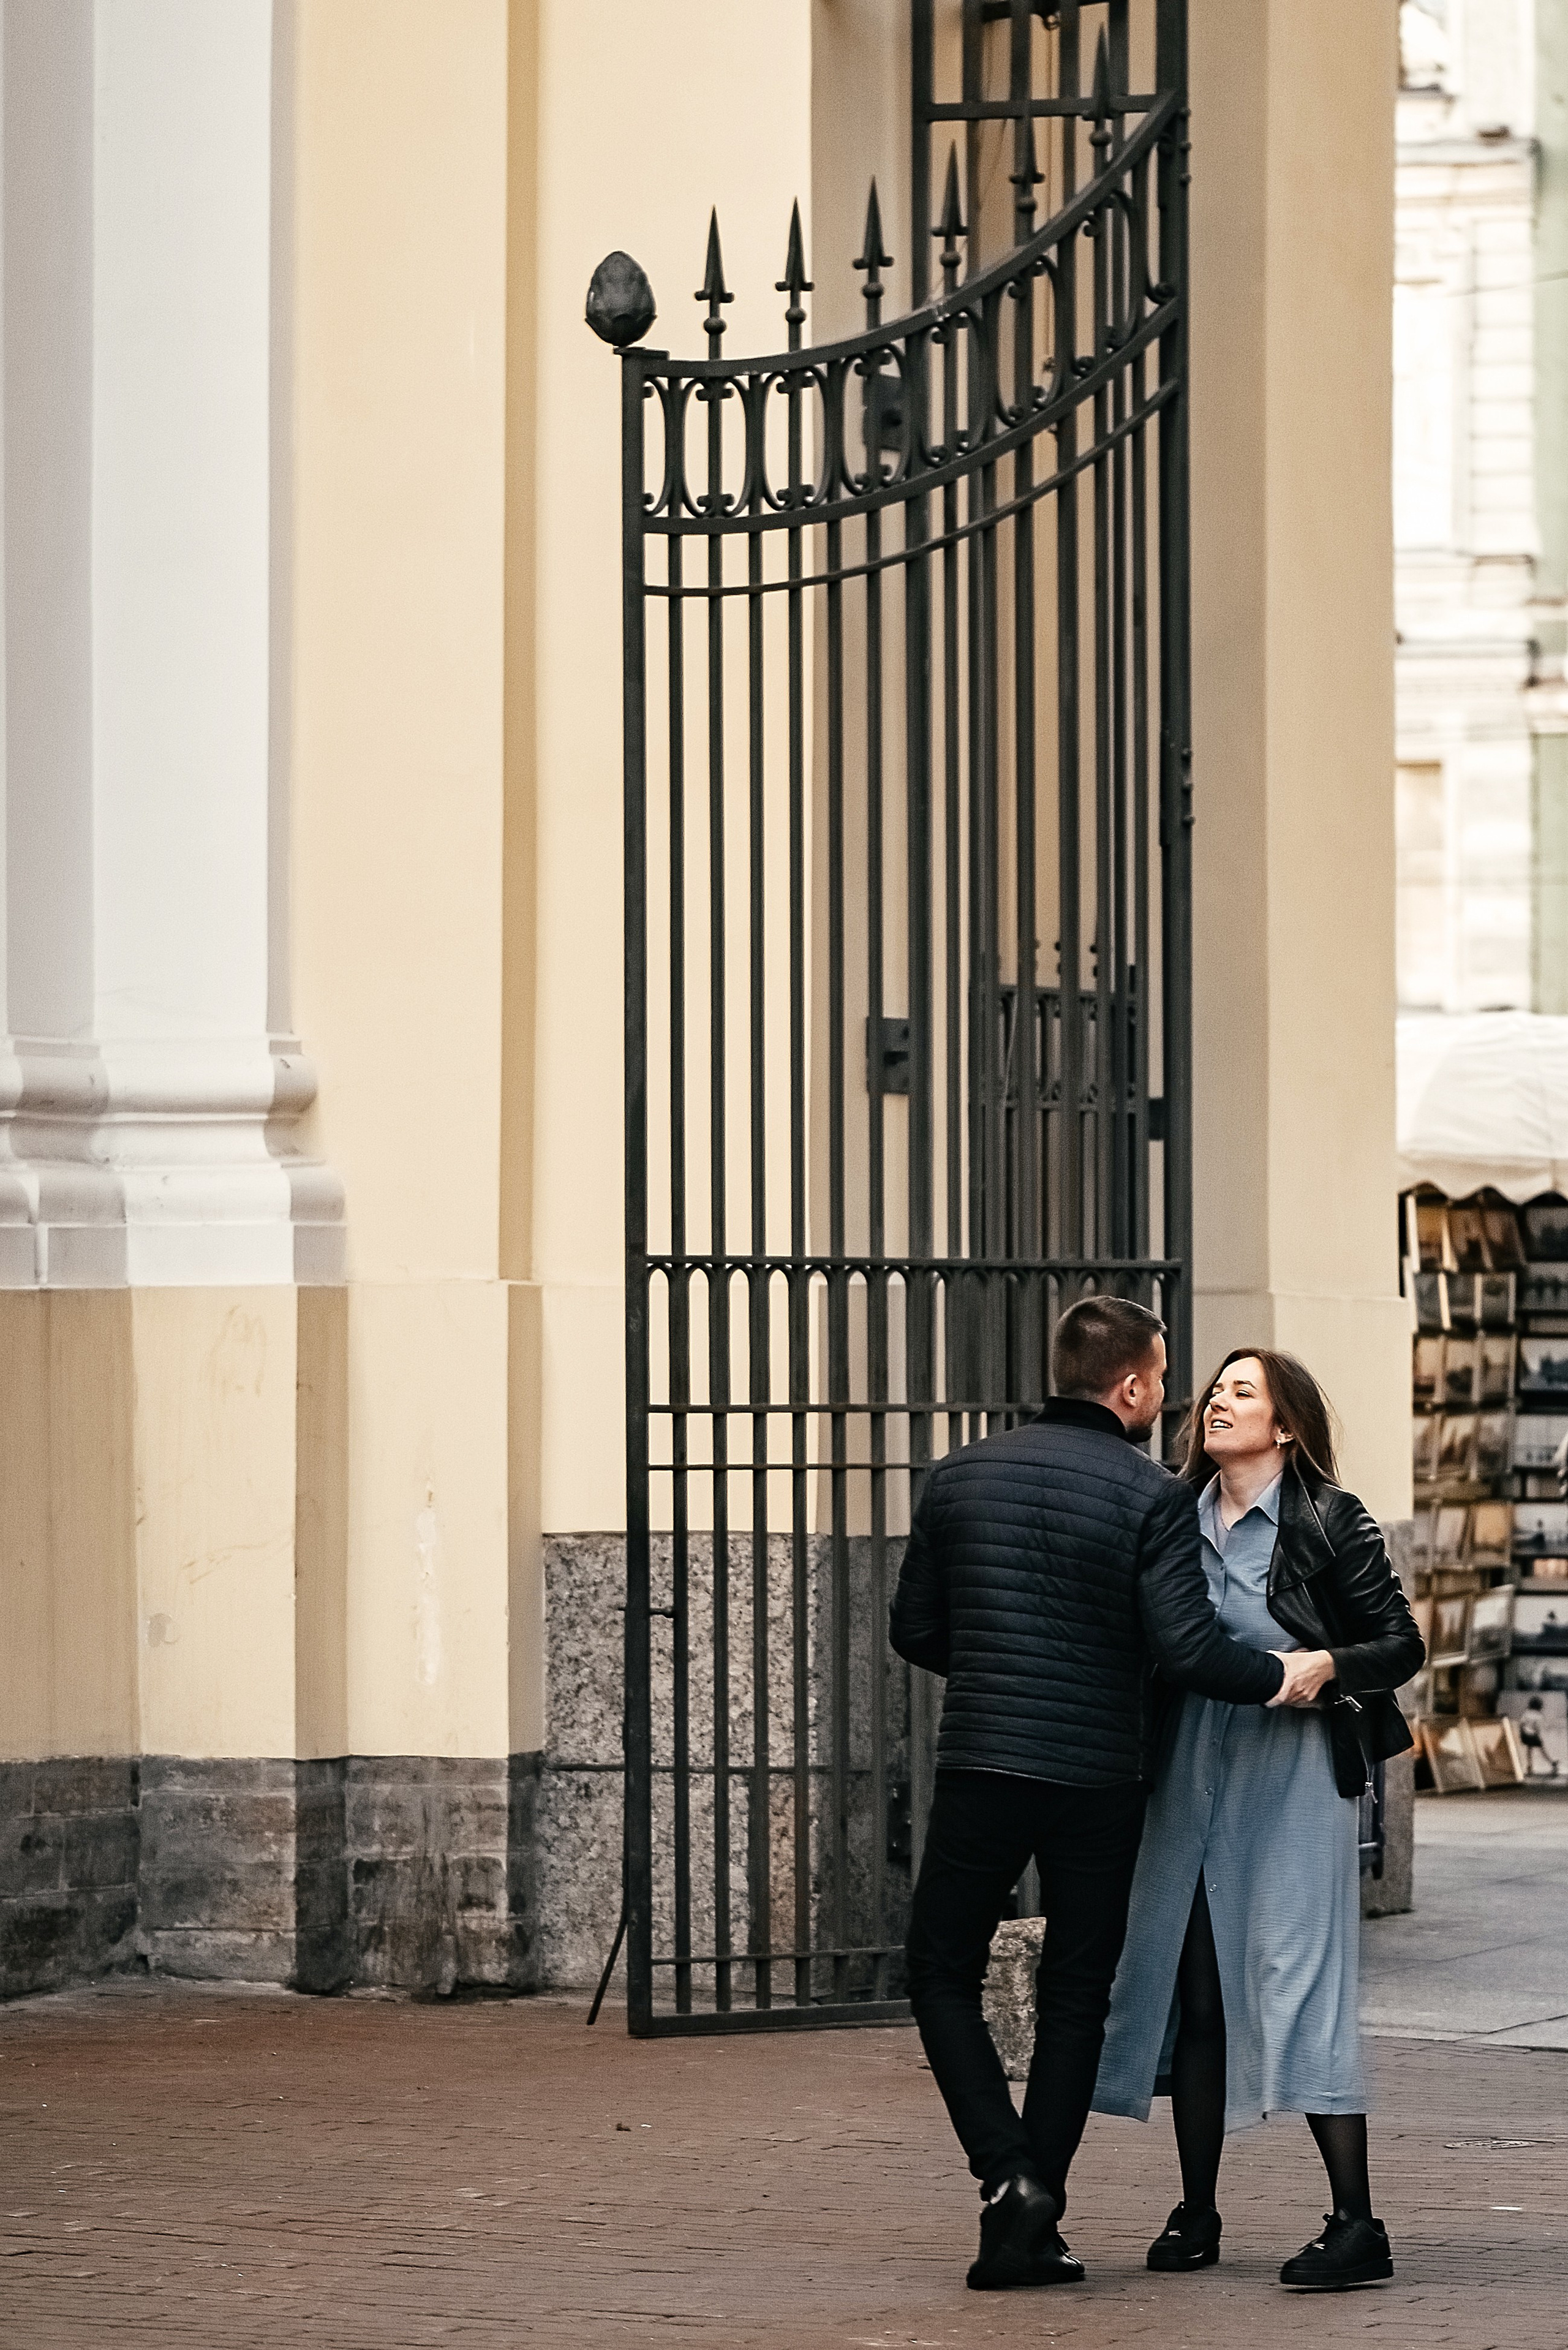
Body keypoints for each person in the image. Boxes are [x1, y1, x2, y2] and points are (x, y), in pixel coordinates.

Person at [890, 1298, 1320, 2292]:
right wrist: (1279, 1676)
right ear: (1130, 1385)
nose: (1169, 1396)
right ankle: (1029, 2198)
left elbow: (917, 1632)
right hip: (1100, 1779)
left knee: (938, 1969)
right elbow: (1182, 1646)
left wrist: (1003, 1663)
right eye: (1165, 1378)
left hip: (984, 1764)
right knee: (1077, 1996)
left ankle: (1010, 2193)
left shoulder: (957, 1476)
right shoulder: (1153, 1498)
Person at [1092, 1349, 1425, 2292]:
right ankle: (1198, 2212)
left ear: (1285, 1427)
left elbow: (1401, 1642)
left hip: (1293, 1766)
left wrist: (1326, 1665)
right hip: (1190, 1758)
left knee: (1296, 1978)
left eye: (1244, 1393)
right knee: (1196, 1989)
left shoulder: (1330, 1517)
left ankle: (1358, 2224)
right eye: (1215, 1392)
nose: (1218, 1405)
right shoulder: (1171, 1511)